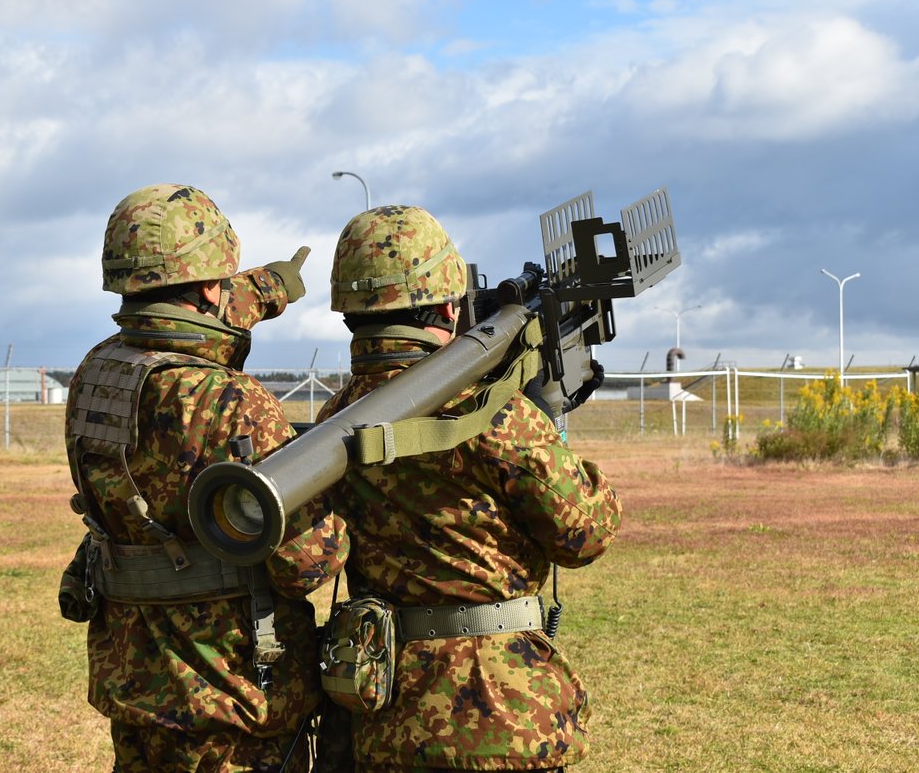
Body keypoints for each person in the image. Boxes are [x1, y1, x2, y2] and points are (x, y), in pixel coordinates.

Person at [316, 204, 623, 772]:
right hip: (500, 716)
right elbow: (585, 535)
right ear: (450, 304)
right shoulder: (493, 412)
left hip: (384, 717)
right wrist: (549, 414)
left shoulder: (334, 422)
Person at [60, 183, 340, 772]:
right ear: (210, 285)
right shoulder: (233, 403)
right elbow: (307, 562)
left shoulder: (96, 375)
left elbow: (192, 315)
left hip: (136, 688)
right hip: (233, 702)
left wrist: (273, 284)